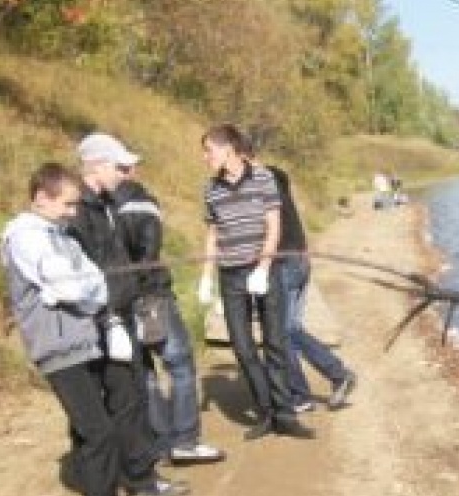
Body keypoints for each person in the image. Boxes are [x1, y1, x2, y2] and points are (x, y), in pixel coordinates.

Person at [0, 162, 155, 496]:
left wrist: (78, 290)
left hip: (83, 341)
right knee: (100, 432)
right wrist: (73, 289)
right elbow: (66, 285)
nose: (74, 212)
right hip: (57, 350)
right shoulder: (26, 237)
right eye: (67, 204)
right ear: (41, 198)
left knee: (88, 434)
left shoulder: (61, 234)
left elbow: (91, 286)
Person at [73, 133, 184, 496]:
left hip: (123, 312)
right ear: (97, 165)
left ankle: (143, 475)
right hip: (101, 323)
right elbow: (85, 271)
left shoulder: (107, 203)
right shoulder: (78, 211)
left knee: (133, 396)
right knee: (121, 402)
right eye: (119, 167)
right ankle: (134, 483)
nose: (126, 173)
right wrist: (106, 319)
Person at [197, 124, 314, 441]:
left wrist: (263, 268)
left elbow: (273, 225)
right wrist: (207, 277)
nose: (205, 157)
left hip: (266, 271)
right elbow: (213, 234)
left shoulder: (264, 178)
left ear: (229, 149)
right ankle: (266, 413)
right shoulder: (211, 189)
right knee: (243, 347)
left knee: (275, 344)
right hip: (231, 276)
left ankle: (286, 414)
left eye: (209, 150)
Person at [112, 161, 226, 465]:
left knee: (144, 370)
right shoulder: (136, 199)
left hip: (114, 301)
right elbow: (148, 249)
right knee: (179, 364)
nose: (134, 170)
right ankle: (185, 440)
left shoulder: (90, 205)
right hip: (147, 296)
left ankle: (160, 442)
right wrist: (147, 288)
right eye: (129, 166)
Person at [238, 143, 357, 412]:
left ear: (242, 156)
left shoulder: (258, 182)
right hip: (300, 259)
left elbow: (263, 228)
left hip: (284, 264)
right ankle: (321, 384)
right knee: (290, 329)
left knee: (281, 331)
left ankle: (320, 383)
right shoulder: (276, 175)